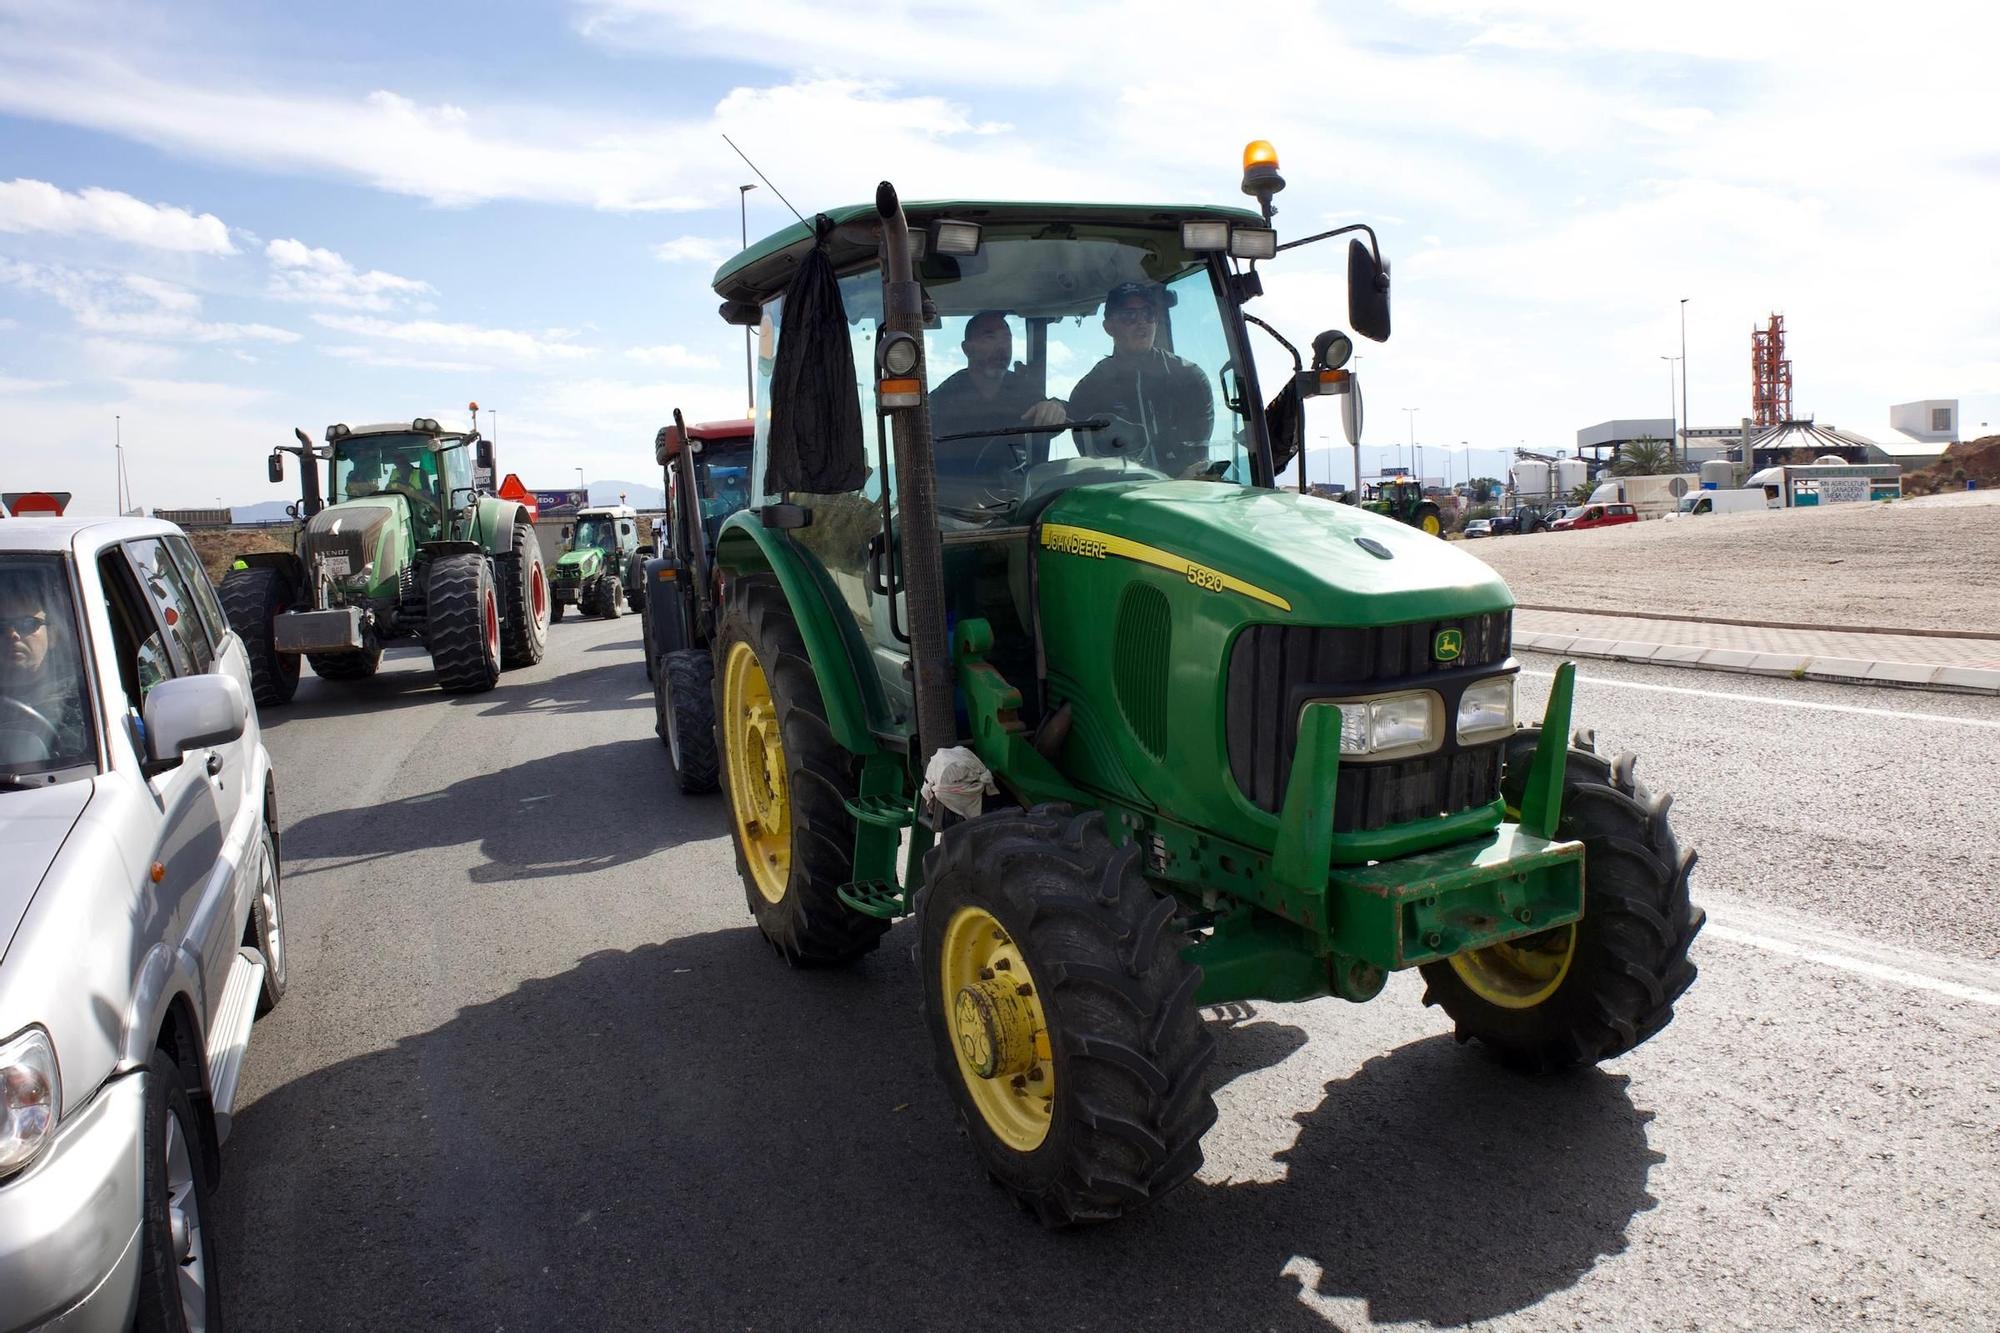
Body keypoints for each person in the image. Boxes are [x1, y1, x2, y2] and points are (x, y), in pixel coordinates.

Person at [1067, 281, 1215, 475]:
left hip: (1185, 495)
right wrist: (1055, 405)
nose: (1141, 322)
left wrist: (1181, 482)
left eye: (1148, 314)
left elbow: (1198, 459)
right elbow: (1093, 468)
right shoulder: (1089, 391)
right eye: (1129, 316)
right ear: (1108, 327)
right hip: (1120, 500)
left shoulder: (1190, 378)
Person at [928, 311, 1068, 505]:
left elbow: (1058, 416)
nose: (1002, 346)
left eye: (1006, 338)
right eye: (990, 337)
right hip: (956, 512)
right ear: (967, 349)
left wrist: (1055, 407)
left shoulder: (1023, 390)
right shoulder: (942, 400)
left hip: (1016, 506)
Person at [0, 571, 87, 763]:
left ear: (53, 635)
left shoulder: (89, 700)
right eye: (1, 626)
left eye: (27, 623)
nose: (12, 634)